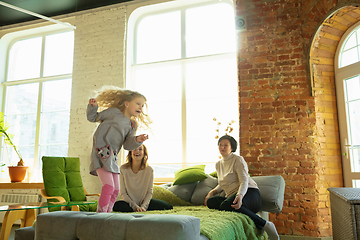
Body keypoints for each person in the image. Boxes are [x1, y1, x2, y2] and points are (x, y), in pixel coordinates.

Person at [87, 85, 151, 213]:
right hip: (101, 152)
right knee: (108, 186)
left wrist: (137, 140)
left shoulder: (133, 124)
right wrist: (93, 107)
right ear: (127, 104)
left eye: (142, 105)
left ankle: (107, 214)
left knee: (116, 190)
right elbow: (93, 118)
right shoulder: (113, 112)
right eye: (138, 103)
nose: (140, 107)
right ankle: (100, 214)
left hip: (113, 158)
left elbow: (128, 145)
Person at [204, 135, 279, 240]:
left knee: (226, 204)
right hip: (232, 198)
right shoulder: (218, 164)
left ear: (232, 147)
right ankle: (231, 206)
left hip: (250, 194)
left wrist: (240, 196)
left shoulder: (238, 160)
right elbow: (223, 183)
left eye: (226, 145)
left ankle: (266, 225)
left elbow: (244, 181)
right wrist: (212, 192)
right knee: (211, 202)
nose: (222, 147)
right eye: (220, 145)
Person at [113, 145, 173, 212]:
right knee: (116, 206)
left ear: (144, 154)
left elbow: (149, 192)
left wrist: (144, 207)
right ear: (130, 153)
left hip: (144, 203)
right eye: (134, 149)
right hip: (129, 203)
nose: (137, 151)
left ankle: (140, 209)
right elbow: (123, 193)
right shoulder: (123, 169)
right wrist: (134, 206)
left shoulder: (149, 170)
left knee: (168, 207)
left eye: (140, 149)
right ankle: (136, 209)